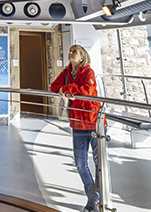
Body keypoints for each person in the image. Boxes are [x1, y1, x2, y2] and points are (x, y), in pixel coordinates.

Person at [50, 45, 101, 212]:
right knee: (80, 164)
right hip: (77, 122)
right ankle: (93, 197)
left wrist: (67, 89)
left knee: (98, 162)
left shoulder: (88, 72)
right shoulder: (66, 74)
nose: (70, 53)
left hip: (94, 121)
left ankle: (96, 201)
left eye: (74, 51)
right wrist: (65, 89)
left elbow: (87, 91)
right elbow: (53, 87)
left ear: (82, 57)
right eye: (69, 50)